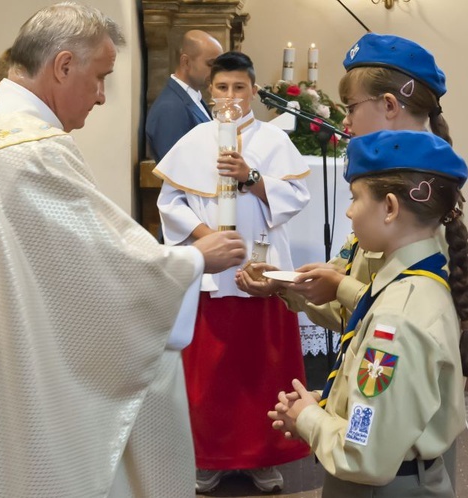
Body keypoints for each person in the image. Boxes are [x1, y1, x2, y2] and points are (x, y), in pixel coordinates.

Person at [0, 3, 246, 497]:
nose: (102, 96)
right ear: (62, 65)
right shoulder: (30, 151)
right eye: (100, 77)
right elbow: (105, 273)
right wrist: (192, 260)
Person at [269, 130, 468, 497]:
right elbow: (391, 409)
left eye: (355, 198)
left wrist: (308, 418)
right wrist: (325, 405)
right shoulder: (411, 285)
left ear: (389, 207)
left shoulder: (398, 319)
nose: (350, 211)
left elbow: (364, 456)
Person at [153, 51, 311, 493]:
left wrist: (252, 177)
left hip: (263, 271)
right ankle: (210, 457)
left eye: (239, 87)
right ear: (210, 92)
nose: (230, 96)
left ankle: (264, 456)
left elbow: (296, 196)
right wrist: (207, 239)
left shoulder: (273, 141)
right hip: (210, 276)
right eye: (221, 88)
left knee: (263, 368)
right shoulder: (195, 139)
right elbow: (171, 202)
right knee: (211, 372)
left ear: (254, 92)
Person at [237, 33, 453, 334]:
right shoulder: (389, 176)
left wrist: (341, 287)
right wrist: (285, 284)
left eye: (351, 108)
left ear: (389, 105)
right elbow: (348, 293)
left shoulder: (417, 189)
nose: (345, 122)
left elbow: (407, 311)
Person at [145, 29, 223, 162]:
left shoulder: (194, 97)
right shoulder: (169, 108)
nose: (217, 72)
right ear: (186, 62)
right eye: (211, 64)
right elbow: (177, 167)